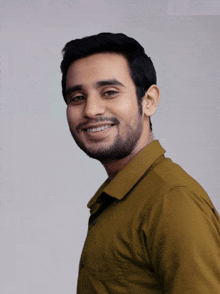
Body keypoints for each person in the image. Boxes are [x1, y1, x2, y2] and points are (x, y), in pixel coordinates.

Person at [60, 33, 220, 293]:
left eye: (109, 92)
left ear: (148, 101)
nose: (90, 110)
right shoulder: (120, 196)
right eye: (77, 97)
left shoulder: (172, 199)